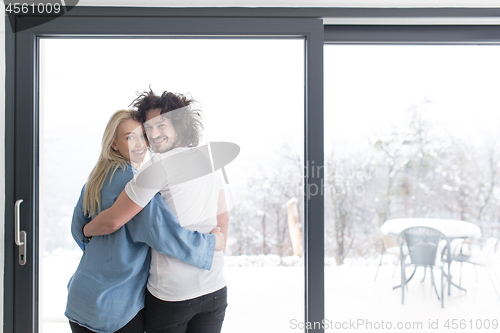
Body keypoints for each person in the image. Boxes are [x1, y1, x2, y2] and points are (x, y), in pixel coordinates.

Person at [66, 109, 224, 333]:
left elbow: (77, 230)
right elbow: (164, 235)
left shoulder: (95, 178)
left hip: (81, 297)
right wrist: (212, 243)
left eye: (143, 135)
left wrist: (100, 243)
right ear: (113, 143)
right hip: (115, 308)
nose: (141, 143)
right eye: (130, 137)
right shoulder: (136, 183)